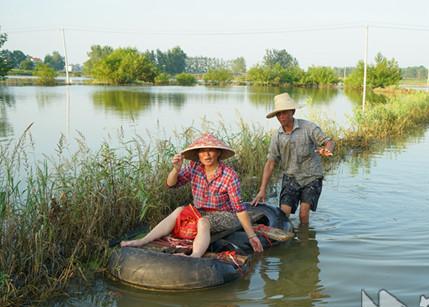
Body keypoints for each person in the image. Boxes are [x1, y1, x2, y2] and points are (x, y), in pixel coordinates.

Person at [121, 132, 263, 256]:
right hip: (199, 212)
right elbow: (171, 184)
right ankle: (143, 240)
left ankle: (194, 256)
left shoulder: (229, 175)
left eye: (211, 150)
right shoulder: (194, 167)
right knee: (179, 210)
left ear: (218, 153)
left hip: (225, 215)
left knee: (203, 222)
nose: (206, 155)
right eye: (203, 151)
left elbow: (239, 208)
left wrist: (251, 236)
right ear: (198, 155)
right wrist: (176, 170)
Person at [252, 93, 335, 224]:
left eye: (284, 113)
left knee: (303, 213)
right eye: (278, 114)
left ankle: (304, 240)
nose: (281, 117)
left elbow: (329, 142)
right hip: (291, 177)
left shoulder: (308, 127)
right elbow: (270, 163)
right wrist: (262, 189)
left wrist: (327, 150)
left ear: (293, 111)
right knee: (283, 213)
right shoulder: (277, 136)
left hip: (311, 177)